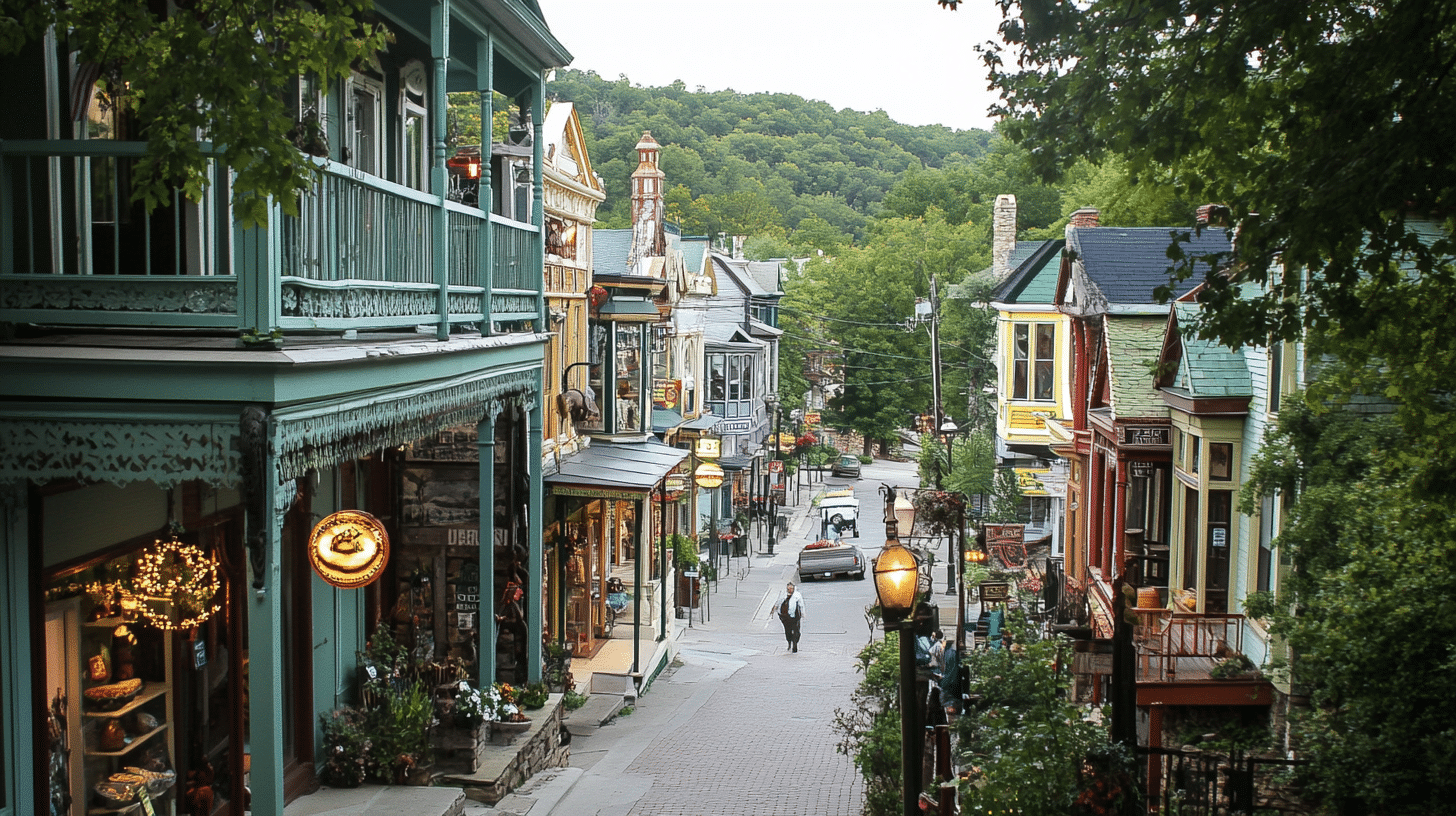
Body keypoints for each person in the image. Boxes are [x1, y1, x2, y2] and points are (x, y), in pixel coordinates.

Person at [770, 582, 805, 652]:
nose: (790, 590)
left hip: (795, 617)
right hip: (786, 618)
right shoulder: (784, 595)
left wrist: (803, 613)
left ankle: (795, 644)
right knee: (788, 631)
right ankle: (789, 641)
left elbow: (801, 605)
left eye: (791, 588)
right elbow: (778, 602)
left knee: (796, 631)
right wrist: (774, 608)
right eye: (789, 589)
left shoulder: (797, 595)